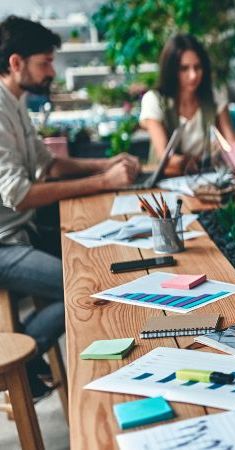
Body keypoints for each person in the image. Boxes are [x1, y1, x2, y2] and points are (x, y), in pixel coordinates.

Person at [0, 16, 140, 397]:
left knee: (102, 262)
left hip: (20, 232)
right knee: (86, 287)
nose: (51, 72)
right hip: (4, 244)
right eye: (45, 63)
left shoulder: (14, 101)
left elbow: (50, 164)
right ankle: (21, 358)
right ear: (16, 63)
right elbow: (19, 194)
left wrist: (107, 165)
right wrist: (102, 182)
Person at [140, 34, 235, 177]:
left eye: (197, 67)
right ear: (171, 70)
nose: (193, 75)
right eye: (184, 69)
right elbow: (164, 157)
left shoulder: (214, 94)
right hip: (166, 181)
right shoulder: (154, 100)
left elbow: (231, 141)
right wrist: (194, 161)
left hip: (207, 178)